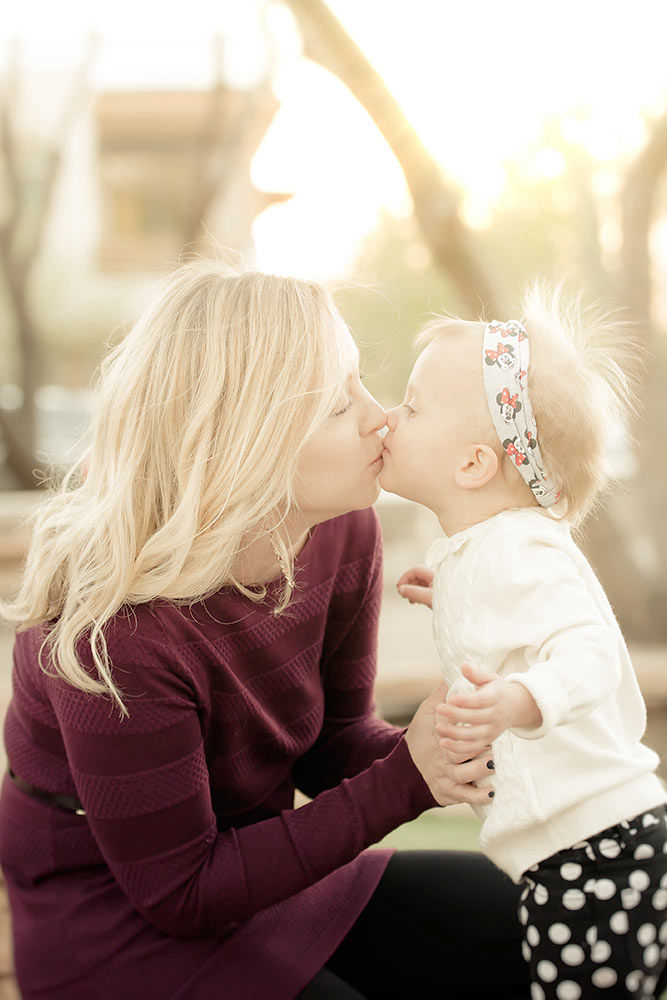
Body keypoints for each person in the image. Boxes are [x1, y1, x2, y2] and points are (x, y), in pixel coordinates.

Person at [0, 261, 530, 1000]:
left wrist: (480, 745)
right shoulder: (109, 635)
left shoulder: (341, 529)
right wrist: (408, 780)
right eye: (339, 405)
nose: (378, 416)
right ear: (246, 443)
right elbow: (180, 893)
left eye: (360, 381)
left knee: (555, 921)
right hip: (116, 920)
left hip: (267, 871)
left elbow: (333, 742)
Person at [379, 285, 667, 1000]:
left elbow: (592, 652)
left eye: (410, 407)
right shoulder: (487, 552)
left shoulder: (519, 553)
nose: (389, 417)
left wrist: (521, 697)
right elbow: (511, 618)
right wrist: (448, 592)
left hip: (597, 852)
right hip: (584, 851)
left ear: (473, 465)